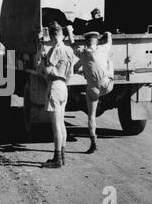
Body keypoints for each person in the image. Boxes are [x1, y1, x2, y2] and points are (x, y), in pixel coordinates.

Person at [68, 28, 114, 154]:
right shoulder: (103, 49)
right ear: (97, 41)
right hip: (107, 86)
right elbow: (109, 41)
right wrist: (108, 34)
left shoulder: (83, 52)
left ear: (86, 42)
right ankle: (110, 77)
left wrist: (69, 31)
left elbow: (72, 43)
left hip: (93, 89)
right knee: (110, 60)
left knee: (91, 116)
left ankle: (93, 142)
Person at [40, 22, 75, 168]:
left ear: (53, 36)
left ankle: (57, 159)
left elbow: (47, 71)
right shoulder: (69, 50)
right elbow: (70, 73)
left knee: (56, 127)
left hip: (55, 86)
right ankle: (62, 156)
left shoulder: (56, 49)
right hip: (64, 87)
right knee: (62, 124)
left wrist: (43, 59)